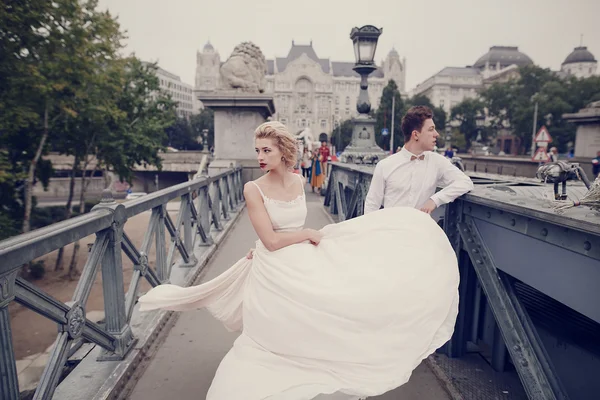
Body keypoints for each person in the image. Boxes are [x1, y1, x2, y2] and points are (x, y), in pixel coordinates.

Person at [138, 121, 460, 400]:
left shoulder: (298, 181)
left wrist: (307, 236)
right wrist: (306, 233)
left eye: (266, 150)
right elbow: (273, 240)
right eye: (257, 150)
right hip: (274, 265)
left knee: (342, 303)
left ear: (282, 151)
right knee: (273, 341)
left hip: (302, 257)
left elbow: (286, 229)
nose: (260, 157)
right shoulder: (253, 189)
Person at [365, 106, 474, 215]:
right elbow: (372, 205)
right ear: (415, 135)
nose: (436, 134)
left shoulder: (437, 161)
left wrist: (435, 200)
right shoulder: (385, 165)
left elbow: (465, 182)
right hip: (392, 229)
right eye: (431, 129)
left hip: (420, 229)